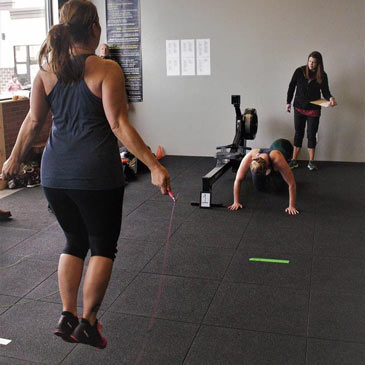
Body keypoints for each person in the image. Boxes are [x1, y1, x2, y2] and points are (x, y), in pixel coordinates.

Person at [1, 0, 170, 349]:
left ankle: (67, 314)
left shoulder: (46, 71)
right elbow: (119, 125)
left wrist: (12, 159)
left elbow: (33, 123)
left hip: (54, 176)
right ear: (94, 28)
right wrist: (155, 166)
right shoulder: (106, 69)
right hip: (95, 176)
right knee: (102, 247)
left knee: (74, 242)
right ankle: (88, 323)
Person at [286, 51, 337, 171]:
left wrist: (331, 98)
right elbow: (291, 86)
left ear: (318, 63)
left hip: (313, 109)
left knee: (311, 135)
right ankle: (294, 161)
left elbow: (325, 91)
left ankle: (311, 162)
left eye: (314, 62)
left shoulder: (323, 75)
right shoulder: (299, 71)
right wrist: (288, 102)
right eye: (309, 61)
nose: (311, 64)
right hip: (299, 107)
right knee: (298, 133)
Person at [228, 138, 299, 215]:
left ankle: (275, 177)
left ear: (266, 167)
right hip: (263, 167)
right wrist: (236, 202)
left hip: (274, 169)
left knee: (279, 188)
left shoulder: (277, 158)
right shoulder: (250, 156)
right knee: (259, 187)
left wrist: (291, 206)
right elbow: (238, 179)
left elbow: (292, 183)